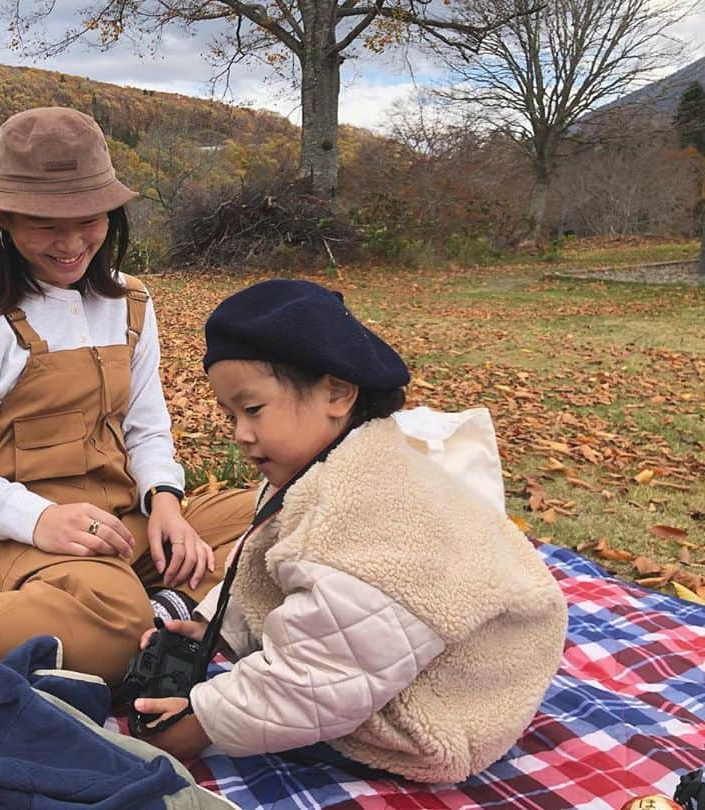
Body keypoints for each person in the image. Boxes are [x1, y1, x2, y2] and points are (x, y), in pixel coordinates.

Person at [133, 279, 568, 783]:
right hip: (380, 664)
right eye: (229, 415)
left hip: (449, 712)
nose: (240, 434)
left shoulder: (372, 509)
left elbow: (319, 681)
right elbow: (275, 581)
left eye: (252, 410)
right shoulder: (320, 468)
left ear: (336, 392)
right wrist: (221, 631)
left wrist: (202, 723)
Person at [0, 106, 255, 686]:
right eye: (45, 224)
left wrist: (164, 501)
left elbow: (146, 428)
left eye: (88, 219)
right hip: (8, 541)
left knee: (282, 519)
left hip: (121, 526)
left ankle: (166, 613)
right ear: (4, 221)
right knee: (116, 619)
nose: (71, 243)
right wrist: (41, 518)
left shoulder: (130, 301)